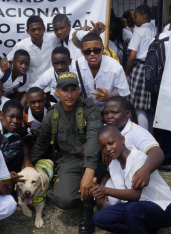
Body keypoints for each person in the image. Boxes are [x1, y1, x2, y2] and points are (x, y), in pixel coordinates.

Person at [30, 72, 105, 234]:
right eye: (65, 90)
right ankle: (72, 188)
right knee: (64, 200)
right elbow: (41, 144)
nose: (69, 95)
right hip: (68, 161)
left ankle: (87, 207)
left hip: (92, 160)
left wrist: (89, 171)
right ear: (57, 92)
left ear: (79, 90)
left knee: (93, 179)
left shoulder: (90, 110)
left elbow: (93, 140)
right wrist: (28, 165)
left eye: (73, 89)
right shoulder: (52, 114)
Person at [91, 125, 171, 234]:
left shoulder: (138, 159)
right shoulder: (113, 163)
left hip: (162, 207)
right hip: (138, 207)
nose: (107, 149)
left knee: (132, 209)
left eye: (111, 143)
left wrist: (105, 190)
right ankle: (144, 229)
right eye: (103, 147)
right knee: (99, 218)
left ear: (122, 140)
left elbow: (135, 195)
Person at [102, 96, 164, 201]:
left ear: (127, 114)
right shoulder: (105, 130)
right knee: (108, 200)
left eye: (114, 112)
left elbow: (157, 152)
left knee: (118, 201)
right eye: (106, 113)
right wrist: (102, 149)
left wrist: (145, 170)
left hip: (137, 180)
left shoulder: (137, 132)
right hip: (117, 175)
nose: (109, 116)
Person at [71, 33, 130, 112]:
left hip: (111, 110)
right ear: (82, 52)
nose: (92, 54)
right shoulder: (76, 66)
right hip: (87, 111)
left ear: (102, 50)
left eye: (96, 50)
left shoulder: (115, 68)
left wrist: (108, 98)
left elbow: (125, 95)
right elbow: (76, 91)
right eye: (88, 51)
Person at [0, 15, 57, 88]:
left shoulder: (52, 39)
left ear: (44, 29)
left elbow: (69, 31)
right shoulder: (21, 45)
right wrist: (3, 62)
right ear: (28, 31)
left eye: (39, 29)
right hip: (32, 86)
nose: (36, 33)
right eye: (33, 30)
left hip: (52, 85)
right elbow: (7, 59)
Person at [125, 5, 157, 133]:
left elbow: (132, 56)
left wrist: (126, 72)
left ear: (144, 16)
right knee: (149, 107)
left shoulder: (138, 31)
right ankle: (152, 137)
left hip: (140, 68)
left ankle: (144, 138)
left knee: (139, 107)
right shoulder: (155, 29)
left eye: (136, 16)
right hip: (153, 69)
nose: (134, 19)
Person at [23, 87, 51, 151]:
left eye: (40, 101)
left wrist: (44, 127)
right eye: (33, 102)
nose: (37, 105)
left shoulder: (53, 108)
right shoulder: (24, 115)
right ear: (27, 103)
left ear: (44, 100)